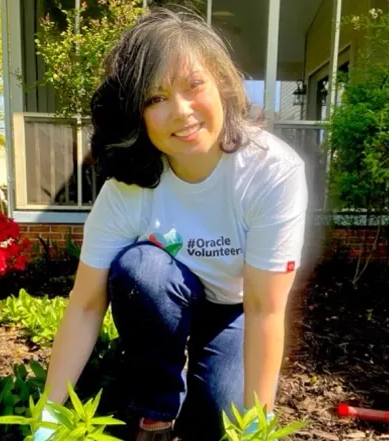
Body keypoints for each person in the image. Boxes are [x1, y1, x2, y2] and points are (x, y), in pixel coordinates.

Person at [35, 7, 308, 441]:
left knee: (219, 419)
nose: (180, 112)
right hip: (164, 295)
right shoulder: (128, 187)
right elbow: (85, 304)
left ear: (221, 84)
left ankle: (203, 380)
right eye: (155, 98)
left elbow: (264, 308)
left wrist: (257, 427)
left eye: (193, 85)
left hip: (233, 308)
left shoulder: (270, 172)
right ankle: (156, 409)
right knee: (142, 268)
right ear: (136, 114)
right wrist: (48, 416)